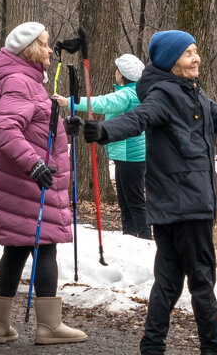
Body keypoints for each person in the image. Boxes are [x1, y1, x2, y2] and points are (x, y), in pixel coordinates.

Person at [75, 31, 217, 355]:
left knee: (167, 282)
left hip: (175, 205)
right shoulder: (165, 95)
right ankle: (211, 354)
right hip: (188, 206)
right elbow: (139, 118)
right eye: (187, 54)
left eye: (195, 51)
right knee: (200, 281)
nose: (196, 58)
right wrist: (105, 131)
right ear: (172, 62)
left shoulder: (193, 94)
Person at [0, 22, 85, 345]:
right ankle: (49, 327)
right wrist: (34, 163)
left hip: (17, 182)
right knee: (44, 247)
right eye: (43, 44)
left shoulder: (26, 80)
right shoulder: (19, 81)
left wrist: (64, 126)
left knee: (16, 249)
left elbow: (33, 124)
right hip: (25, 181)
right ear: (29, 51)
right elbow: (5, 131)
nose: (50, 50)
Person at [57, 53, 149, 239]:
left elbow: (101, 103)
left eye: (117, 70)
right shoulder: (137, 92)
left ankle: (145, 241)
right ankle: (130, 238)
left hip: (129, 157)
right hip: (129, 157)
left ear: (122, 74)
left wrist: (71, 101)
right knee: (126, 202)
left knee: (134, 202)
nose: (115, 73)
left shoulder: (126, 95)